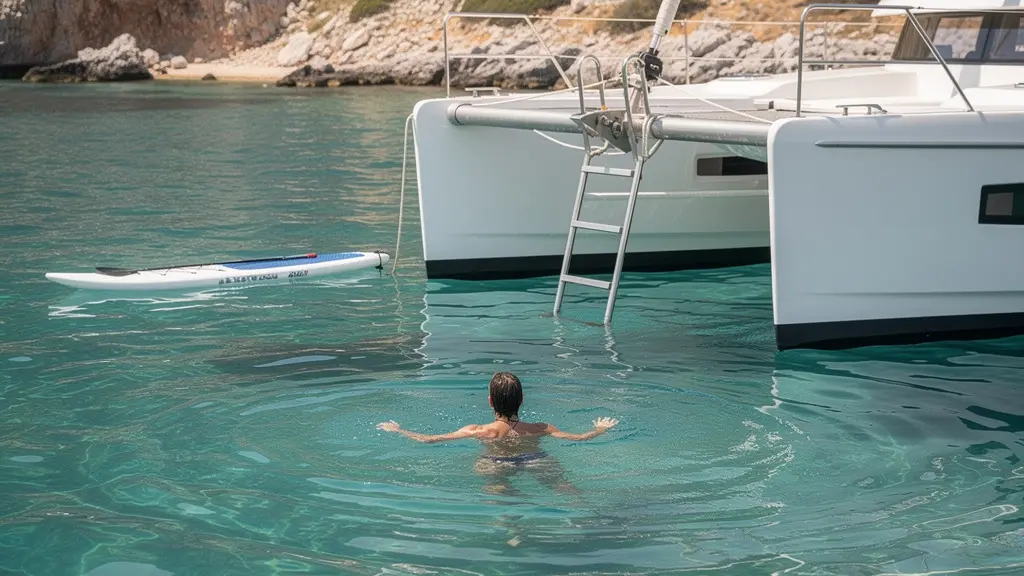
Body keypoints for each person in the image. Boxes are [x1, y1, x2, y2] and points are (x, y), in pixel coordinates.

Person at [376, 371, 618, 494]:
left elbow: (430, 440)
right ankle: (585, 511)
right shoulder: (541, 428)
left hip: (496, 461)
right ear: (522, 400)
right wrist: (600, 429)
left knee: (498, 492)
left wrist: (399, 430)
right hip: (535, 460)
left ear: (490, 401)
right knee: (564, 487)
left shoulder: (480, 431)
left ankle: (513, 530)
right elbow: (579, 439)